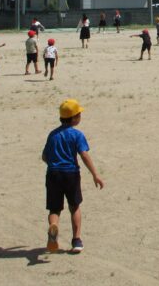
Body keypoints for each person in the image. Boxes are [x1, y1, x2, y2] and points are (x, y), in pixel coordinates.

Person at [42, 99, 104, 254]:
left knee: (54, 209)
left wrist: (54, 163)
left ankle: (53, 227)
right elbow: (84, 155)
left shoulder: (53, 135)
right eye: (79, 114)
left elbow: (44, 156)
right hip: (71, 174)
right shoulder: (77, 135)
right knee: (74, 206)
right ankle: (76, 240)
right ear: (74, 118)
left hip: (53, 173)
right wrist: (95, 174)